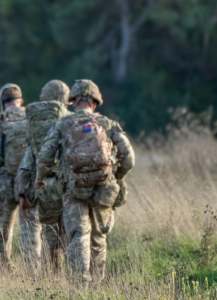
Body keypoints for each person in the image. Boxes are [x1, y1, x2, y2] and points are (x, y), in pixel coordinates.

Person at [36, 79, 134, 283]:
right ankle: (97, 286)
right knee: (98, 237)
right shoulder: (107, 124)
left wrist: (40, 179)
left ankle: (80, 285)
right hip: (103, 188)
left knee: (78, 235)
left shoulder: (63, 124)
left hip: (74, 190)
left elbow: (45, 156)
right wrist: (117, 176)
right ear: (95, 103)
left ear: (72, 102)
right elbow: (129, 158)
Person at [16, 79, 72, 272]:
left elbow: (28, 158)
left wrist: (23, 191)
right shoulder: (70, 120)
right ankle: (63, 274)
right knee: (64, 230)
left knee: (41, 231)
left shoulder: (32, 121)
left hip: (37, 182)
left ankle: (42, 274)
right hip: (62, 183)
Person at [0, 83, 40, 268]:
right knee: (31, 226)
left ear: (2, 102)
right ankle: (32, 268)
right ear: (21, 101)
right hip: (29, 182)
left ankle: (2, 265)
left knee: (5, 226)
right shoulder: (32, 119)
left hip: (4, 182)